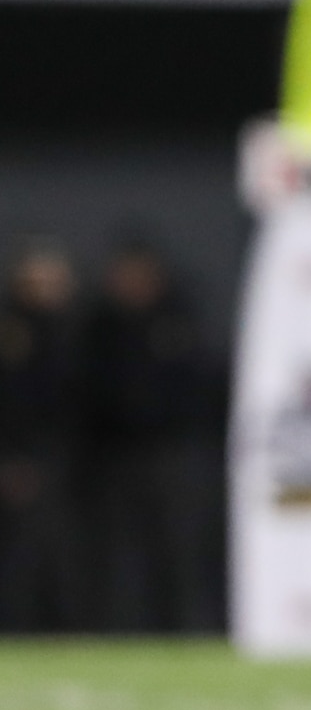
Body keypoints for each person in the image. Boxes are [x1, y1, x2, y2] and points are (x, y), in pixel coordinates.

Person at [83, 237, 220, 633]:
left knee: (181, 551)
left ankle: (189, 632)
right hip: (119, 459)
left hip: (177, 457)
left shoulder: (182, 320)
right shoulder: (102, 327)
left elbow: (199, 389)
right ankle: (124, 633)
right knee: (123, 557)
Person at [0, 242, 82, 632]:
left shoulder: (78, 332)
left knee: (66, 561)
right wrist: (10, 460)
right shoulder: (12, 335)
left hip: (74, 468)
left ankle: (66, 633)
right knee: (22, 560)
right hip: (25, 465)